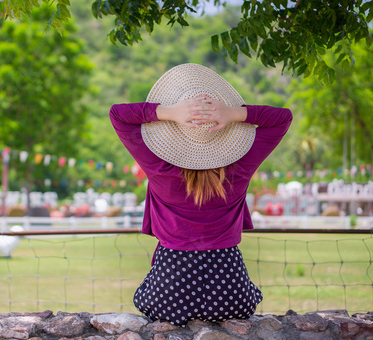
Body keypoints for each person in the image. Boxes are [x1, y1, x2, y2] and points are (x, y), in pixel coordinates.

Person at [109, 63, 292, 327]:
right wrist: (232, 114)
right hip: (231, 296)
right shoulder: (240, 167)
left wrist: (170, 113)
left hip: (169, 295)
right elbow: (282, 118)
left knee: (145, 296)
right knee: (244, 297)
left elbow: (118, 114)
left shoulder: (160, 167)